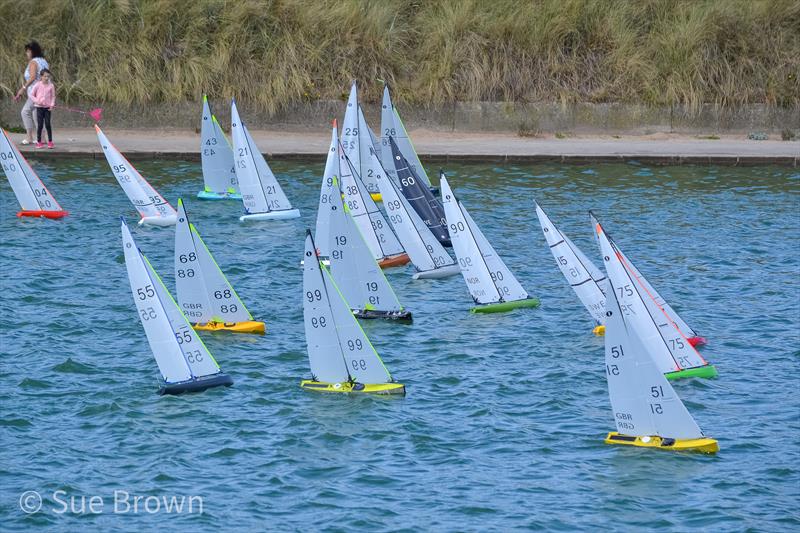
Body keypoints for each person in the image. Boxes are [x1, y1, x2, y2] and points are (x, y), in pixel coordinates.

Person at [14, 41, 49, 145]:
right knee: (36, 115)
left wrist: (22, 88)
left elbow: (33, 77)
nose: (27, 53)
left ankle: (29, 138)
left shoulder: (33, 62)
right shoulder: (44, 61)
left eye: (28, 51)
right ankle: (42, 139)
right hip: (44, 91)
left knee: (25, 112)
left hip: (36, 92)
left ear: (33, 52)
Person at [30, 69, 55, 148]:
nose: (47, 78)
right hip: (39, 108)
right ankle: (39, 142)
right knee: (40, 125)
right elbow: (31, 95)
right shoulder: (37, 85)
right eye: (45, 76)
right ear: (41, 76)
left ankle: (50, 142)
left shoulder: (51, 85)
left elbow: (53, 96)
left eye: (48, 76)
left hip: (47, 108)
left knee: (48, 124)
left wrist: (52, 104)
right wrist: (37, 101)